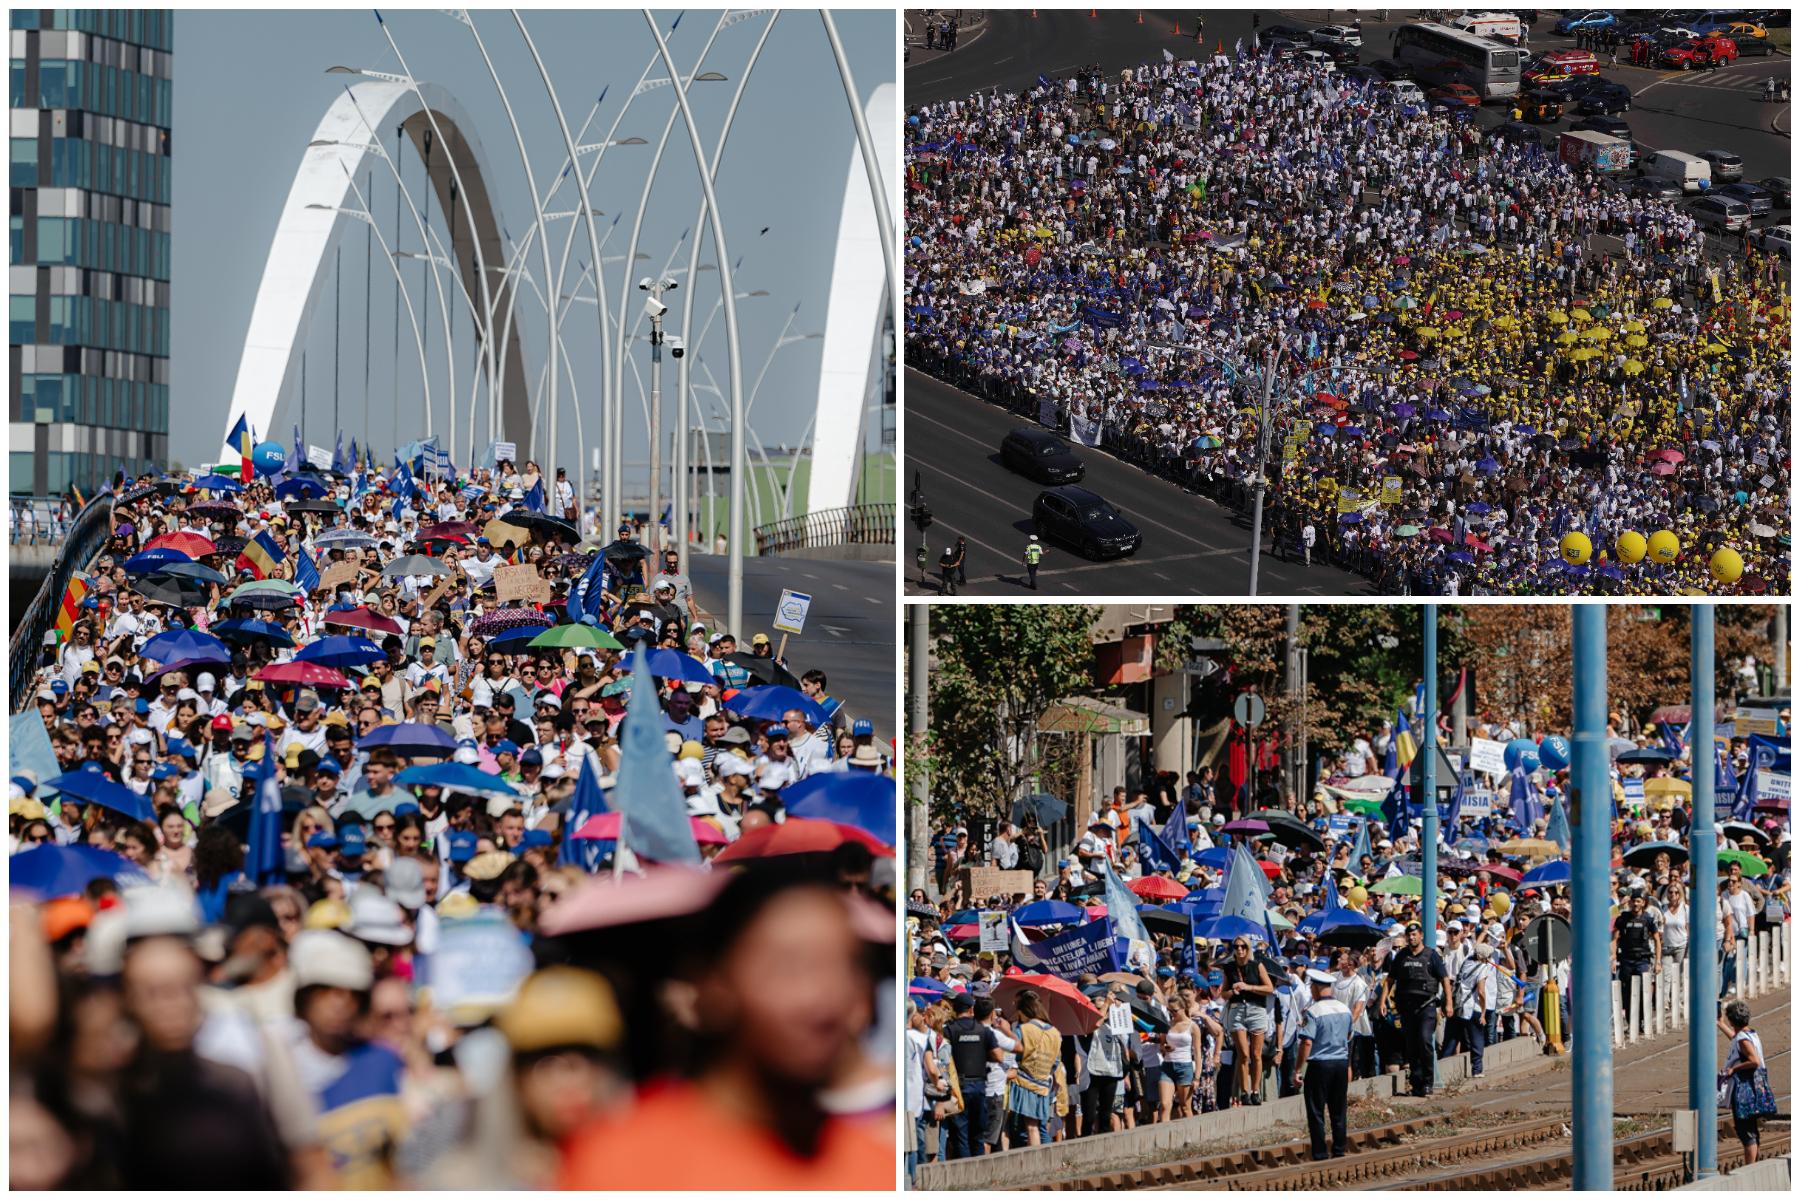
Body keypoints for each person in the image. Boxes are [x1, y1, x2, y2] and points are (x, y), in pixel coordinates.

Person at [1378, 921, 1450, 1098]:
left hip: (1427, 1006)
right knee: (1411, 1047)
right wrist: (1382, 1002)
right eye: (1409, 935)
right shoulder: (1401, 956)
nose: (1411, 937)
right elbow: (1390, 980)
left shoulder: (1431, 956)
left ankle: (1427, 1082)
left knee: (1425, 1041)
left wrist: (1449, 1003)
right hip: (1407, 1008)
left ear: (1421, 935)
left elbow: (1445, 979)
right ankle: (1416, 1083)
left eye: (1415, 934)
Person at [1294, 967, 1352, 1161]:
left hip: (1319, 1065)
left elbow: (1307, 1042)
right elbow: (1348, 1036)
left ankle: (1319, 1152)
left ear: (1316, 989)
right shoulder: (1345, 1009)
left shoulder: (1313, 1012)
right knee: (1338, 1110)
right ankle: (1339, 1149)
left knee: (1316, 1111)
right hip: (1341, 1063)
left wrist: (1298, 1069)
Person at [942, 992, 1000, 1158]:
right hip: (980, 1086)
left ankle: (963, 1178)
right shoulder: (983, 1030)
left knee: (961, 1135)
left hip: (958, 1088)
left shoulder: (949, 1030)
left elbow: (943, 1058)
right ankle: (979, 1174)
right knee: (978, 1135)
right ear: (971, 1009)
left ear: (954, 1008)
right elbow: (999, 1056)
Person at [1718, 999, 1775, 1165]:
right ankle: (1753, 1164)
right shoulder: (1749, 1033)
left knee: (1746, 1131)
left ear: (1732, 1019)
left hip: (1745, 1090)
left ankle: (1750, 1167)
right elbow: (1736, 1039)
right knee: (1751, 1129)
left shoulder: (1743, 1039)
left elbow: (1754, 1060)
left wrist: (1733, 1070)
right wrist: (1720, 1024)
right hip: (1756, 1087)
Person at [1005, 988, 1063, 1147]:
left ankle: (1037, 1164)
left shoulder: (1023, 1029)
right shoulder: (1054, 1032)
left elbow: (1012, 1054)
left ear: (1024, 1010)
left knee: (1031, 1127)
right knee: (1041, 1125)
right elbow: (1056, 1061)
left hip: (1024, 1083)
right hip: (1045, 1083)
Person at [1221, 937, 1274, 1106]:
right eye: (1236, 946)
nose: (1239, 949)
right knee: (1243, 1053)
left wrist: (1248, 987)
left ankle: (1255, 1090)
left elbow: (1269, 988)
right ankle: (1244, 1091)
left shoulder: (1257, 965)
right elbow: (1223, 994)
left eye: (1243, 946)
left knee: (1256, 1054)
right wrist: (1233, 991)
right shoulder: (1229, 968)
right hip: (1237, 1009)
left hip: (1255, 1009)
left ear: (1248, 948)